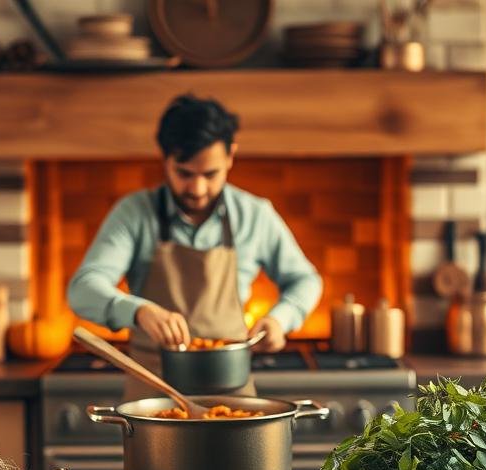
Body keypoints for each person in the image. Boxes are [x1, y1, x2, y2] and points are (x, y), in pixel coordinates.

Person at [67, 94, 323, 399]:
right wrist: (137, 311)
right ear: (165, 160)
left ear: (231, 157)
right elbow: (82, 289)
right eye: (184, 173)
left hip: (232, 390)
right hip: (153, 394)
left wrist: (281, 318)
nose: (198, 189)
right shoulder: (134, 213)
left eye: (210, 174)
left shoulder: (255, 214)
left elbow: (305, 280)